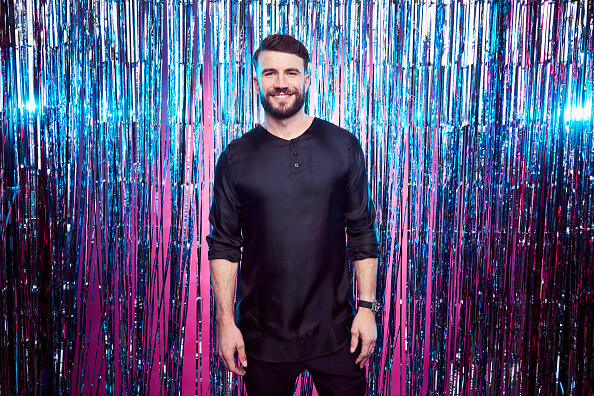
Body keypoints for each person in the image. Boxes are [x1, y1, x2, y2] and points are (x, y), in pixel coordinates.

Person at [206, 34, 381, 396]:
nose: (281, 83)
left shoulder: (342, 145)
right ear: (256, 80)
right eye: (270, 73)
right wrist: (225, 322)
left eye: (291, 73)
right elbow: (224, 245)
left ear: (307, 79)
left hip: (336, 333)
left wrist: (366, 309)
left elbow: (362, 232)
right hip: (262, 336)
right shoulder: (236, 157)